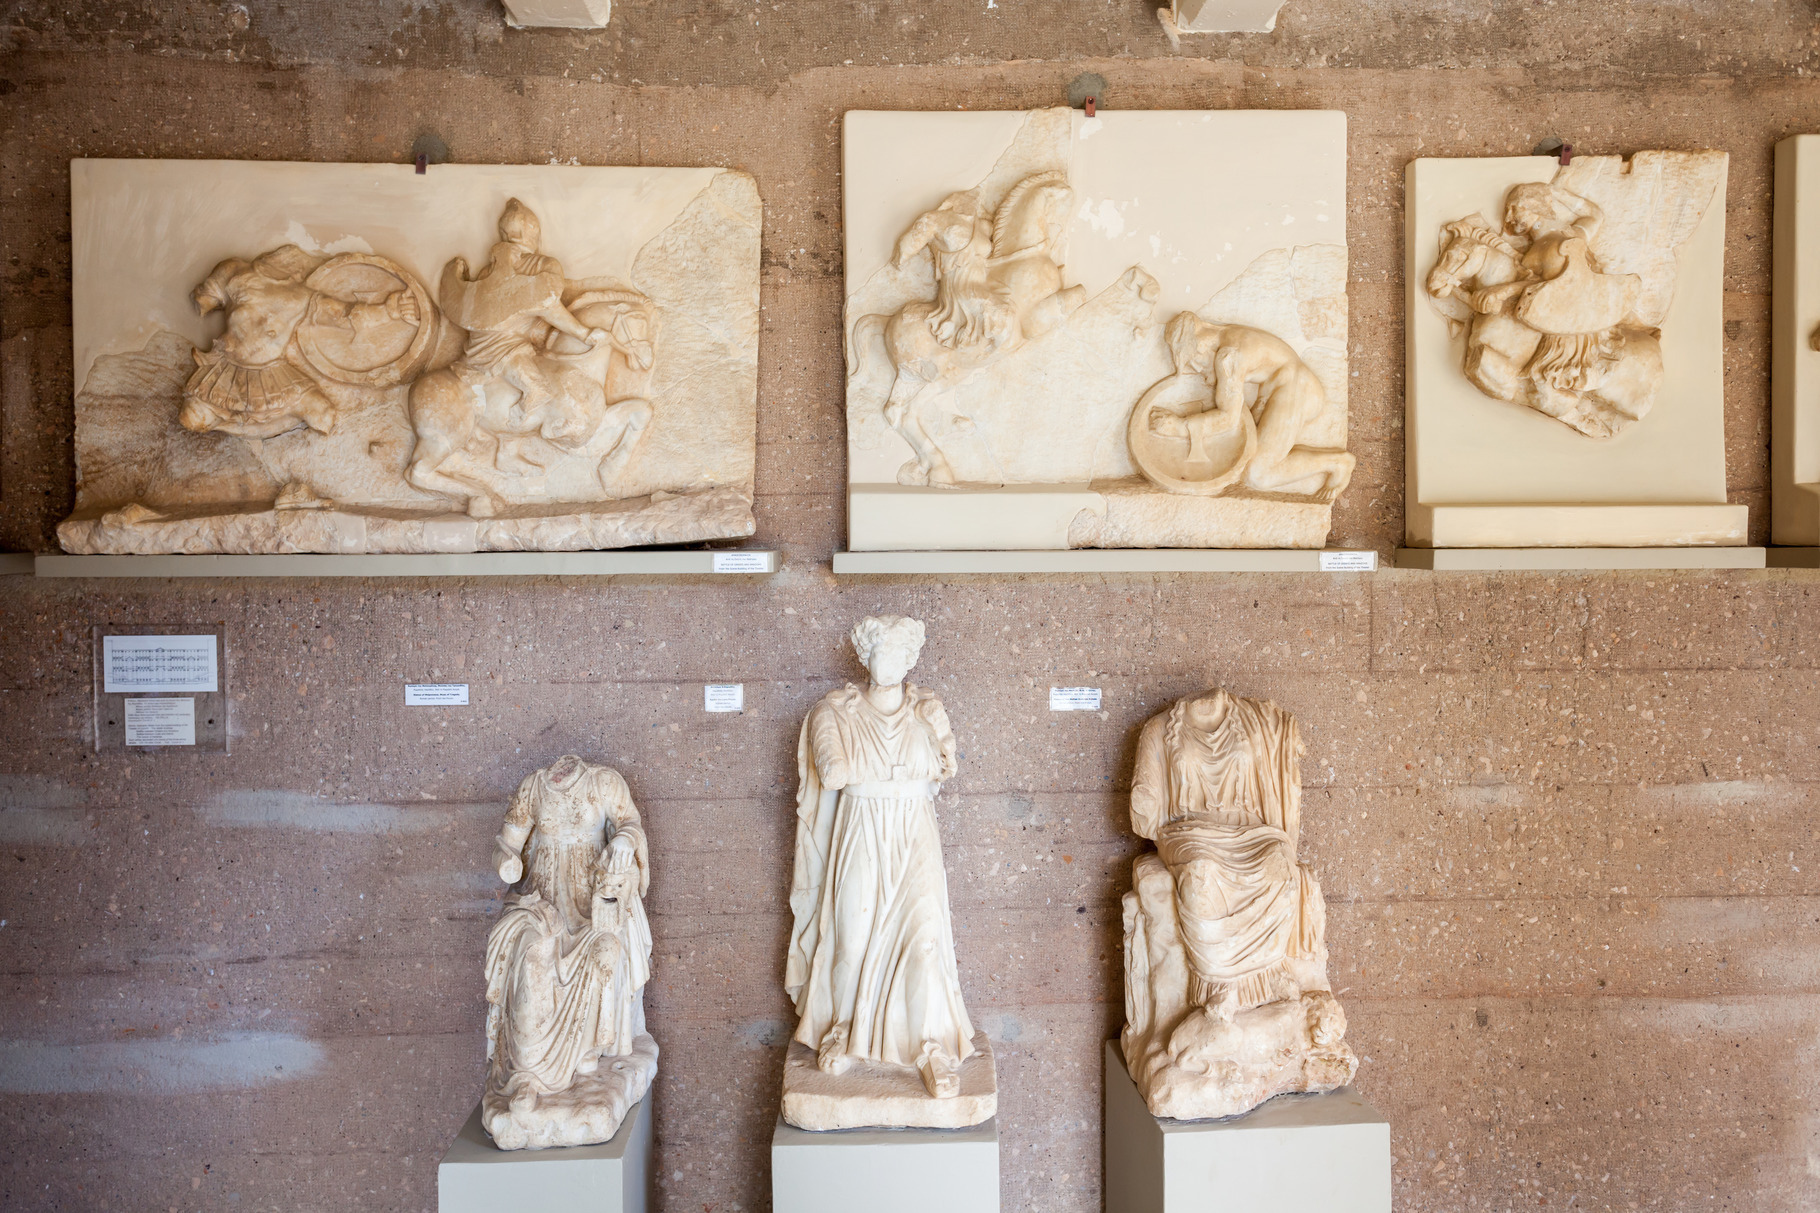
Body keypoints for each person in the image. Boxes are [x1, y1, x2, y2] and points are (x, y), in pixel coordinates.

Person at [786, 615, 976, 1099]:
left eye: (898, 652)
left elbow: (946, 766)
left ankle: (930, 1046)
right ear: (864, 655)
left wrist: (933, 737)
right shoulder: (834, 712)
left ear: (911, 658)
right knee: (851, 938)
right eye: (879, 651)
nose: (888, 661)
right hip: (862, 829)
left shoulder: (928, 711)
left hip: (913, 833)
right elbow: (833, 773)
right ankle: (844, 1029)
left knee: (925, 940)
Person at [440, 198, 607, 434]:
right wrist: (584, 333)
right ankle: (534, 390)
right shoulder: (539, 265)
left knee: (518, 351)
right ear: (533, 234)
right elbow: (549, 306)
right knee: (518, 360)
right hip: (504, 345)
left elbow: (475, 306)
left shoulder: (489, 269)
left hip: (480, 342)